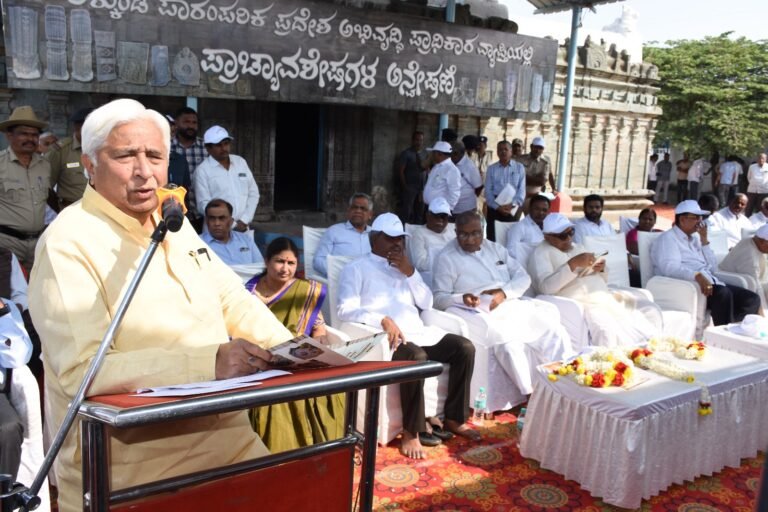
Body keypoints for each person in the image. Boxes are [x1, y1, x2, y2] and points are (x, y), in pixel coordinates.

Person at [28, 99, 293, 512]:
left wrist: (296, 348)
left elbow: (229, 298)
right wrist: (209, 364)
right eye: (124, 156)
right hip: (131, 471)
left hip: (230, 442)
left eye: (154, 156)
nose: (143, 171)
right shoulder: (67, 243)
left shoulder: (173, 221)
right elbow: (83, 371)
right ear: (89, 165)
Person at [337, 213, 479, 459]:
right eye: (390, 239)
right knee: (416, 356)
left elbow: (427, 303)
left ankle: (455, 418)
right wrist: (381, 319)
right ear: (374, 240)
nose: (397, 244)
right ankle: (411, 431)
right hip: (385, 339)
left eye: (400, 239)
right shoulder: (356, 268)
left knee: (464, 347)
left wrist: (411, 273)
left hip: (419, 332)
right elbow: (344, 309)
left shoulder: (405, 267)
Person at [432, 211, 572, 406]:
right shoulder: (447, 258)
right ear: (455, 232)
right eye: (463, 234)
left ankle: (564, 386)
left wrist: (504, 293)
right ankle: (530, 397)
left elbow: (523, 277)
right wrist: (461, 299)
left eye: (475, 233)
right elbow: (438, 298)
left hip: (510, 302)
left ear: (483, 231)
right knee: (508, 342)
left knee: (552, 330)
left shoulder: (496, 249)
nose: (470, 239)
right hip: (478, 311)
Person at [245, 237, 343, 452]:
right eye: (279, 261)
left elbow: (319, 329)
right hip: (259, 357)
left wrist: (316, 344)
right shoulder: (249, 292)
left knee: (329, 384)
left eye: (291, 263)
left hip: (298, 357)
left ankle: (322, 447)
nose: (285, 269)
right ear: (267, 261)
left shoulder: (306, 291)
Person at [529, 213, 662, 348]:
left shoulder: (578, 247)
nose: (569, 238)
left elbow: (602, 278)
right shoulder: (540, 253)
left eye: (571, 232)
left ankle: (651, 349)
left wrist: (602, 268)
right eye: (563, 236)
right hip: (581, 301)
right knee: (605, 329)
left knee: (650, 309)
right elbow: (544, 288)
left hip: (603, 294)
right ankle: (613, 362)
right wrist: (571, 265)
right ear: (547, 236)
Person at [650, 200, 760, 326]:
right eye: (696, 218)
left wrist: (704, 241)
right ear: (682, 219)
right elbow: (669, 268)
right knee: (723, 294)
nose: (700, 222)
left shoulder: (696, 238)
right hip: (688, 286)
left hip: (710, 282)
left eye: (701, 218)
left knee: (751, 299)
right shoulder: (668, 239)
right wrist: (696, 276)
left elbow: (713, 268)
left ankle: (734, 331)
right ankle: (724, 333)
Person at [0, 106, 52, 270]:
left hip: (38, 243)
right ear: (10, 135)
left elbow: (49, 197)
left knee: (36, 291)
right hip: (7, 243)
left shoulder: (44, 165)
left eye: (34, 134)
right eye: (24, 133)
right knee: (8, 291)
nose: (30, 138)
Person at [194, 125, 260, 232]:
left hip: (244, 228)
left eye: (226, 143)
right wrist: (232, 224)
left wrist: (244, 220)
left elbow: (254, 193)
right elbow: (203, 205)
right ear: (208, 148)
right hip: (217, 230)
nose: (224, 148)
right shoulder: (202, 170)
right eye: (218, 145)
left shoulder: (240, 162)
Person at [0, 296, 32, 483]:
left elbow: (19, 356)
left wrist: (2, 313)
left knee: (9, 429)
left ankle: (4, 501)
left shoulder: (6, 307)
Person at [312, 193, 373, 277]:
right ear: (348, 211)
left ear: (370, 215)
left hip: (369, 282)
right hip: (340, 281)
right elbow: (318, 261)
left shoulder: (376, 234)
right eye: (354, 207)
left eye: (363, 208)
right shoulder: (334, 231)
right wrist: (341, 273)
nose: (358, 211)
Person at [47, 108, 92, 211]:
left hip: (100, 213)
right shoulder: (60, 151)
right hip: (71, 210)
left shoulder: (103, 148)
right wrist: (60, 210)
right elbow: (46, 188)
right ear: (76, 128)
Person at [201, 198, 264, 266]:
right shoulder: (197, 243)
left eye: (222, 218)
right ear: (207, 221)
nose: (217, 223)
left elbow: (260, 267)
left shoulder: (246, 240)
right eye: (212, 218)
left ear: (231, 221)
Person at [409, 197, 456, 287]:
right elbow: (420, 264)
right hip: (432, 280)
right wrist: (448, 261)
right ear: (428, 216)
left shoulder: (453, 229)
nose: (440, 220)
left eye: (444, 216)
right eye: (436, 216)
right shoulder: (419, 234)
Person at [484, 140, 525, 241]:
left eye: (506, 149)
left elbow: (522, 190)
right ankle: (493, 257)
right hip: (495, 207)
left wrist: (513, 204)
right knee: (493, 237)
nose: (503, 152)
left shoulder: (519, 168)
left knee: (510, 237)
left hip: (513, 208)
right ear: (497, 152)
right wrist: (497, 207)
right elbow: (488, 191)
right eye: (500, 150)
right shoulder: (491, 169)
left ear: (511, 151)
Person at [719, 224, 768, 309]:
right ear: (761, 241)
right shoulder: (749, 256)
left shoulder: (751, 241)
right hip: (739, 289)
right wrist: (764, 313)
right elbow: (756, 288)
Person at [171, 106, 206, 222]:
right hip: (174, 212)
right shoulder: (167, 147)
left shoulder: (206, 147)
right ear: (176, 123)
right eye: (186, 122)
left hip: (203, 213)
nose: (191, 126)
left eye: (194, 122)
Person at [505, 193, 548, 266]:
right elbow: (510, 251)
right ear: (529, 208)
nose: (541, 213)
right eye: (537, 209)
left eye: (544, 210)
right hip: (528, 266)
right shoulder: (519, 227)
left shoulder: (549, 227)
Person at [396, 131, 428, 224]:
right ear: (412, 140)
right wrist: (405, 186)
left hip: (422, 188)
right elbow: (401, 171)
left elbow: (427, 169)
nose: (419, 142)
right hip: (410, 187)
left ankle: (417, 232)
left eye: (421, 140)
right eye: (417, 140)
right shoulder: (406, 153)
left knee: (420, 211)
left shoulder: (425, 153)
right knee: (407, 211)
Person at [422, 140, 461, 212]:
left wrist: (446, 209)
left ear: (440, 154)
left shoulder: (452, 170)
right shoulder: (436, 166)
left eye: (434, 153)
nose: (432, 155)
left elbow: (454, 193)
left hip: (439, 210)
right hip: (430, 207)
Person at [450, 141, 483, 215]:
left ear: (456, 154)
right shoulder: (450, 163)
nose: (449, 156)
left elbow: (479, 187)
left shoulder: (469, 166)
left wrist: (466, 197)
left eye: (450, 153)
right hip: (451, 208)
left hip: (466, 209)